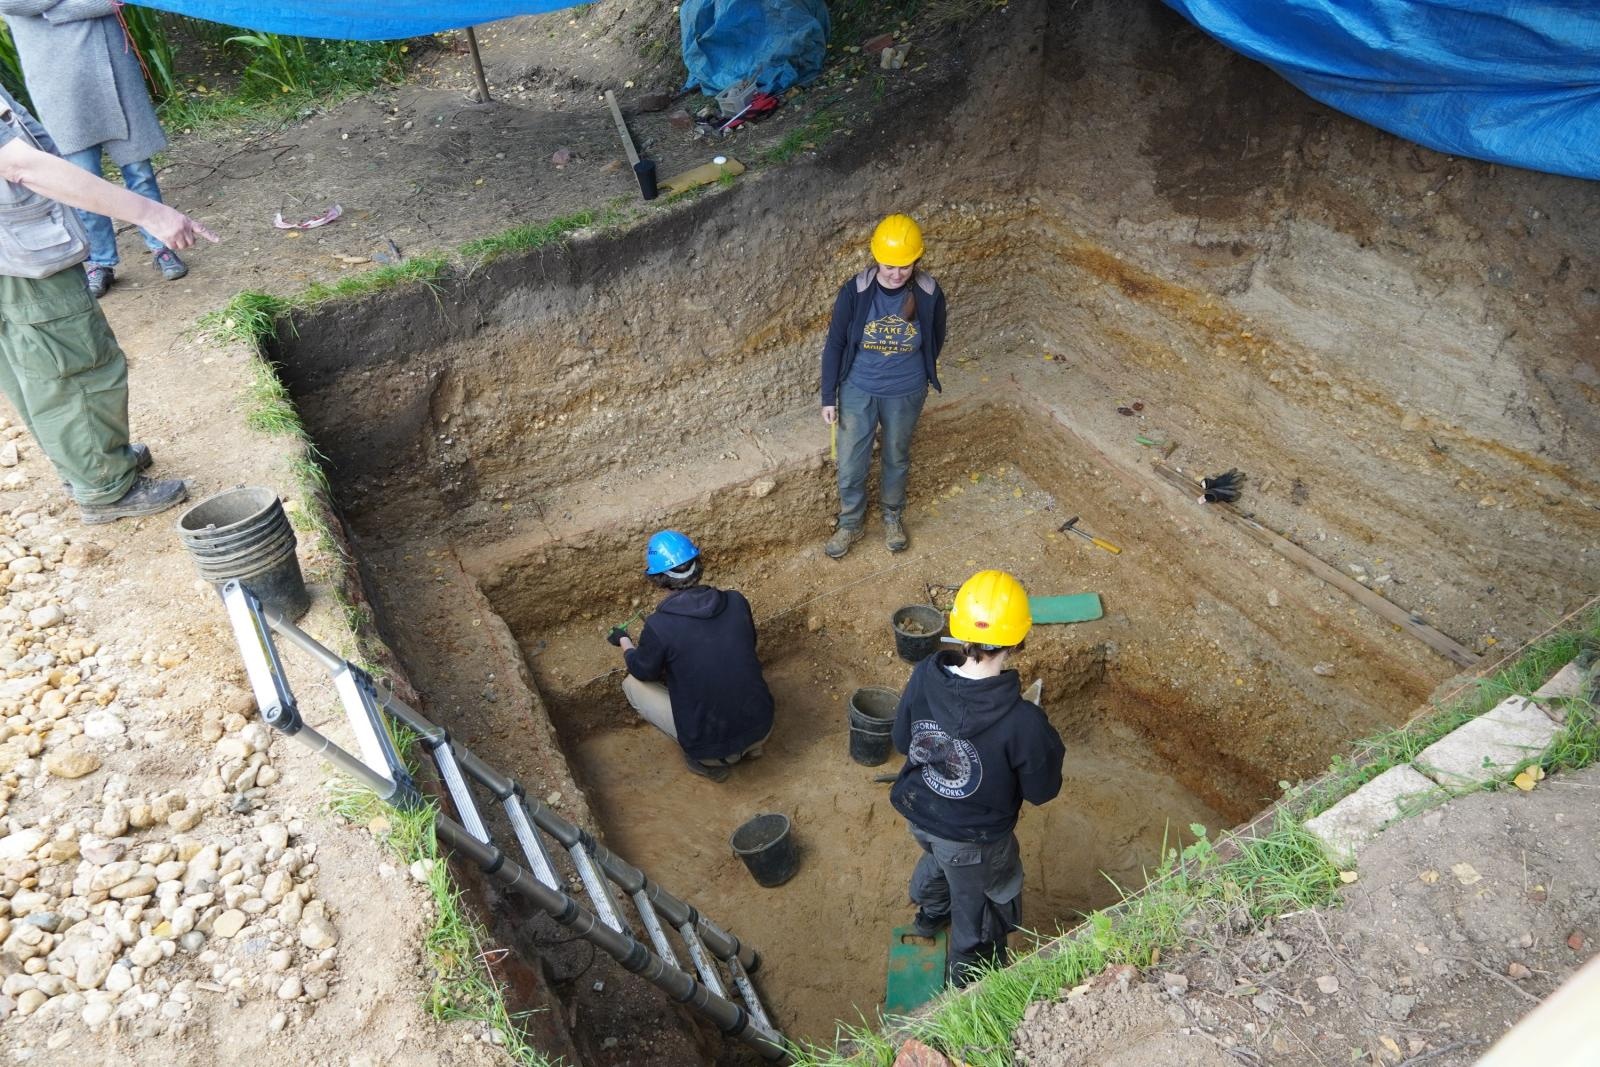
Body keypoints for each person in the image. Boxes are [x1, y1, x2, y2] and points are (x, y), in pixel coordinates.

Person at [0, 85, 215, 522]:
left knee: (28, 364)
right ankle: (105, 485)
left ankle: (86, 464)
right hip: (21, 256)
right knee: (75, 366)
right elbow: (19, 163)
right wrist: (150, 213)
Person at [888, 569, 1065, 987]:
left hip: (919, 811)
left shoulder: (925, 674)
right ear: (1018, 640)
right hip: (974, 841)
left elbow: (900, 738)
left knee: (938, 857)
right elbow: (1042, 791)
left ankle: (929, 917)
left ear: (958, 630)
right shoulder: (1024, 723)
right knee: (979, 913)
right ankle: (967, 989)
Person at [0, 0, 189, 297]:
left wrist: (58, 10)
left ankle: (160, 246)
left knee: (139, 169)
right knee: (80, 176)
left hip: (114, 70)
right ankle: (100, 261)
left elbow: (113, 2)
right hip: (58, 83)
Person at [819, 213, 946, 559]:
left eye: (905, 266)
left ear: (917, 260)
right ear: (875, 258)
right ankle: (850, 523)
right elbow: (835, 344)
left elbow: (936, 337)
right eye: (889, 265)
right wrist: (828, 396)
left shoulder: (928, 292)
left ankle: (892, 516)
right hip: (859, 387)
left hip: (906, 390)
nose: (896, 273)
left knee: (896, 455)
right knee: (849, 461)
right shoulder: (855, 291)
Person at [608, 530, 775, 782]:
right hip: (763, 726)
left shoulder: (659, 626)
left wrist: (624, 640)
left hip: (711, 749)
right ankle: (753, 748)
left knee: (632, 684)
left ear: (658, 579)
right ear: (699, 565)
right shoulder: (736, 601)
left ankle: (710, 765)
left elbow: (642, 670)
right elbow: (749, 645)